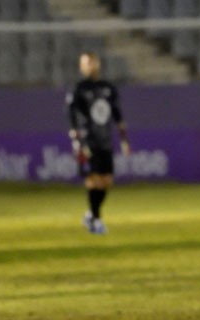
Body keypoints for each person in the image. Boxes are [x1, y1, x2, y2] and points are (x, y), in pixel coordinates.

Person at [66, 52, 130, 235]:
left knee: (107, 180)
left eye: (92, 62)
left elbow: (117, 114)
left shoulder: (107, 88)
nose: (90, 66)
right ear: (81, 66)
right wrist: (76, 139)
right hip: (88, 139)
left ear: (98, 63)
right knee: (93, 179)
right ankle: (96, 219)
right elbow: (71, 115)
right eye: (86, 63)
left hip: (105, 138)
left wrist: (124, 139)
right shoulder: (79, 89)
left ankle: (90, 215)